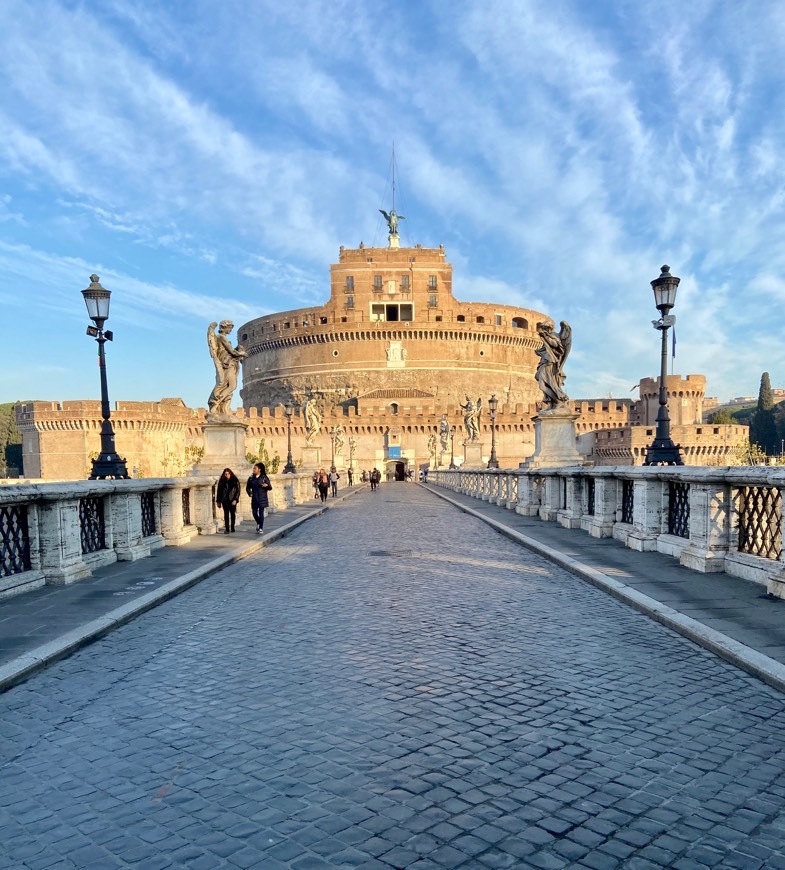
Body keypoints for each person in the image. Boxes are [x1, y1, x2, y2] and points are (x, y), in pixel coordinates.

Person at [207, 321, 247, 419]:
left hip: (230, 363)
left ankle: (223, 408)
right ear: (223, 327)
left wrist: (237, 349)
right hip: (226, 364)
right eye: (229, 328)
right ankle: (215, 405)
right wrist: (241, 353)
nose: (230, 330)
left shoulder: (223, 338)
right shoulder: (221, 337)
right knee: (229, 385)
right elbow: (231, 351)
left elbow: (230, 351)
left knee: (230, 387)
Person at [535, 321, 572, 409]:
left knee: (543, 384)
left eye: (545, 328)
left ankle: (559, 400)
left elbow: (555, 344)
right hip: (545, 362)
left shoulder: (554, 335)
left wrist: (545, 337)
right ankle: (553, 402)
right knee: (542, 383)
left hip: (551, 363)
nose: (543, 330)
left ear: (549, 328)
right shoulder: (548, 335)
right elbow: (546, 348)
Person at [246, 462, 272, 534]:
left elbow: (270, 487)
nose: (253, 470)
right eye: (253, 468)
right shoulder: (251, 478)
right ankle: (258, 523)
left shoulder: (264, 477)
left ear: (259, 469)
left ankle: (261, 527)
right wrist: (250, 493)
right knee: (254, 513)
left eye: (255, 468)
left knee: (261, 513)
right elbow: (247, 488)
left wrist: (267, 485)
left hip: (262, 498)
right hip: (254, 498)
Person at [215, 467, 240, 534]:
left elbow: (238, 491)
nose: (227, 475)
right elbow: (219, 491)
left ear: (230, 474)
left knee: (232, 513)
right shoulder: (222, 481)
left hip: (232, 499)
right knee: (226, 514)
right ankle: (227, 529)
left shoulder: (235, 480)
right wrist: (218, 501)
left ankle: (232, 527)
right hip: (225, 500)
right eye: (225, 474)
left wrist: (235, 499)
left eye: (228, 474)